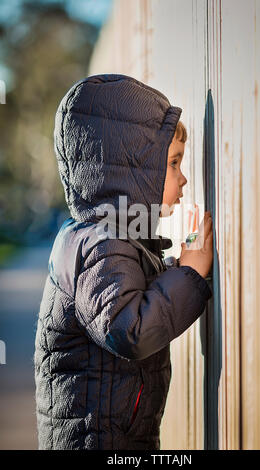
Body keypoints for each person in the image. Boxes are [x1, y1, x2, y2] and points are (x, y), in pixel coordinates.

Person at [34, 73, 213, 450]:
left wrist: (172, 267)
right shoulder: (98, 245)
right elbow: (129, 329)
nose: (183, 180)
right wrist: (189, 274)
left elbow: (129, 287)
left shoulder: (110, 238)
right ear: (131, 171)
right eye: (173, 164)